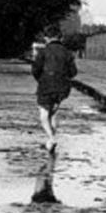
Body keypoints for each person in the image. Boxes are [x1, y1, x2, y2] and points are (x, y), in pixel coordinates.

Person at [31, 25, 77, 154]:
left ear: (46, 38)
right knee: (53, 114)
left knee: (44, 116)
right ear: (60, 38)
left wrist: (42, 80)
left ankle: (52, 138)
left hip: (46, 86)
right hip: (62, 89)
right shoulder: (67, 53)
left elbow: (35, 71)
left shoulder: (43, 52)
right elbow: (73, 72)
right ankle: (50, 143)